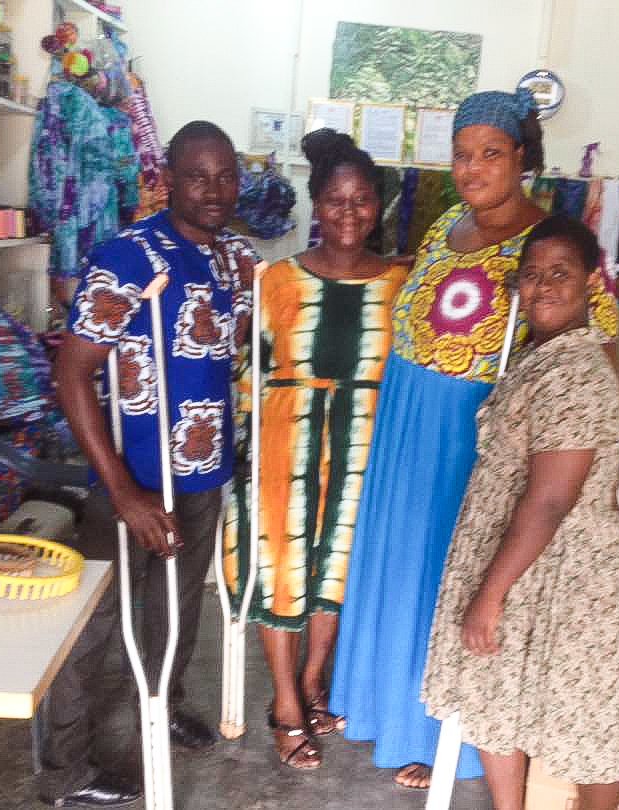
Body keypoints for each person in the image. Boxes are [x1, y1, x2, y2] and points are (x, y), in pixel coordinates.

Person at [329, 89, 619, 789]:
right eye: (462, 154)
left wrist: (593, 463)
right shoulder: (443, 227)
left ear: (522, 157)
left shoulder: (550, 245)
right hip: (407, 418)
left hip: (474, 433)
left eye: (491, 153)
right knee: (402, 570)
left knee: (449, 579)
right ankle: (387, 711)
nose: (472, 168)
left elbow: (597, 353)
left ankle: (445, 742)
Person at [39, 120, 258, 807]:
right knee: (95, 624)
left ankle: (161, 701)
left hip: (203, 471)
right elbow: (72, 373)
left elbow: (237, 350)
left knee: (178, 605)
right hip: (131, 477)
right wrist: (125, 493)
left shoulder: (237, 259)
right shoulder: (129, 257)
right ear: (167, 176)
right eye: (198, 175)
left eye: (226, 175)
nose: (214, 190)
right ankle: (63, 771)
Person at [423, 215, 619, 810]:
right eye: (533, 274)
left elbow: (549, 499)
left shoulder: (575, 373)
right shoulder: (542, 356)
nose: (542, 286)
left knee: (587, 719)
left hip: (568, 572)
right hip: (524, 559)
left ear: (590, 283)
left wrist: (490, 594)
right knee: (496, 694)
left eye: (560, 273)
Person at [223, 129, 410, 770]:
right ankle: (283, 702)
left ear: (378, 206)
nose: (349, 212)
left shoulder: (402, 284)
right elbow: (249, 372)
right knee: (284, 570)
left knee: (337, 571)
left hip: (364, 447)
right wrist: (245, 456)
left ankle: (313, 681)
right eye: (336, 200)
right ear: (316, 205)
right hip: (285, 443)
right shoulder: (276, 280)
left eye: (361, 200)